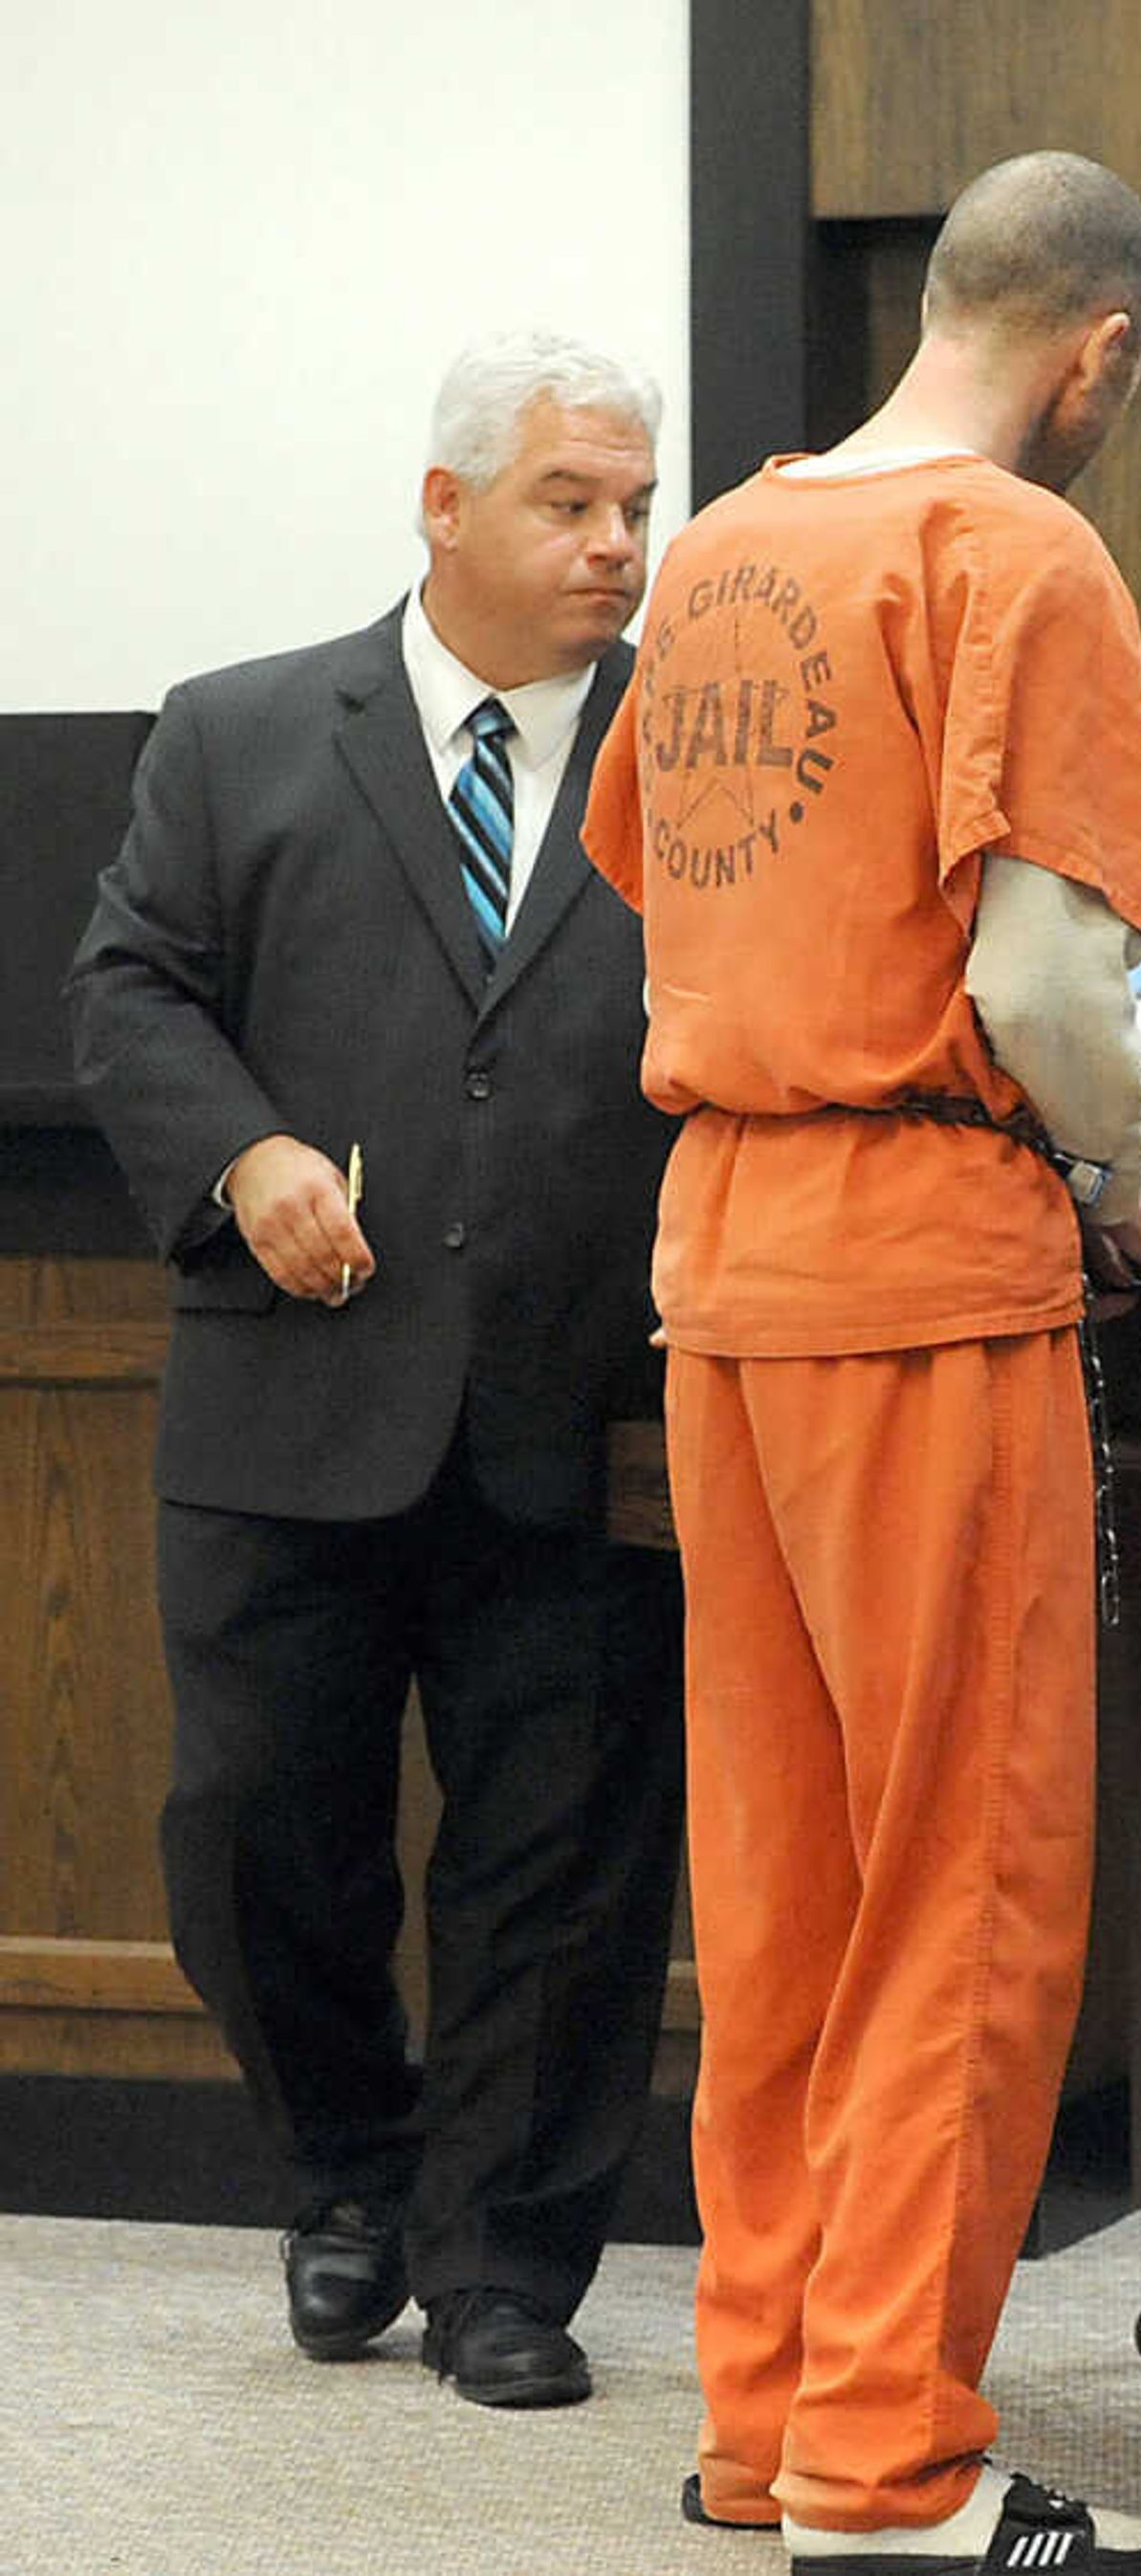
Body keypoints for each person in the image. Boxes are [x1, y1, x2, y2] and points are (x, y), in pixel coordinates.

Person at [581, 149, 1141, 2572]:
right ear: (1098, 353)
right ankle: (888, 2469)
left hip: (722, 1263)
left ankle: (768, 2416)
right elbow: (1045, 987)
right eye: (1128, 389)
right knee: (962, 1879)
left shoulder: (723, 546)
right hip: (918, 1261)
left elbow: (672, 888)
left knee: (777, 1881)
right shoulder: (1021, 553)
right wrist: (1118, 1178)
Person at [63, 332, 688, 2409]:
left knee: (561, 1865)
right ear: (445, 507)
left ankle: (502, 2261)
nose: (617, 543)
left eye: (635, 503)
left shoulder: (701, 750)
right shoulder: (242, 732)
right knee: (251, 1832)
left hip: (590, 1403)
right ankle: (349, 2163)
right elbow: (132, 982)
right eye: (570, 502)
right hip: (289, 1395)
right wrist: (242, 1156)